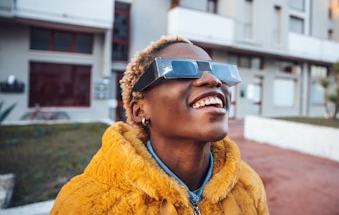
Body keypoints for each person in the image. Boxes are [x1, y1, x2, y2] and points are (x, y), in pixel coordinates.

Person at [50, 35, 269, 215]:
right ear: (139, 111)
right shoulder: (84, 204)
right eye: (181, 69)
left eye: (217, 71)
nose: (212, 80)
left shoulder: (248, 185)